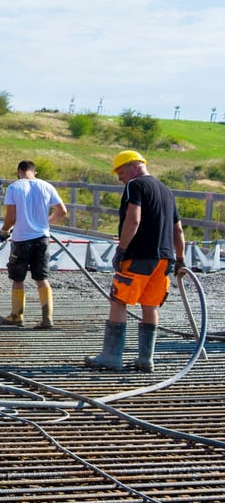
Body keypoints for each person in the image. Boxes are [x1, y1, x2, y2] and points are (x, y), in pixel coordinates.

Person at [85, 150, 186, 372]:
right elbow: (177, 230)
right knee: (150, 305)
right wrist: (180, 259)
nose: (120, 178)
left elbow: (134, 219)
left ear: (133, 166)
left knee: (119, 300)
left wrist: (121, 249)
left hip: (139, 255)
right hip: (164, 259)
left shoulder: (136, 186)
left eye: (121, 172)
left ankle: (111, 356)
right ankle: (145, 359)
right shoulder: (167, 192)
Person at [0, 160, 68, 329]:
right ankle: (47, 317)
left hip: (21, 239)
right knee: (42, 278)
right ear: (34, 172)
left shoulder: (14, 188)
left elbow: (11, 217)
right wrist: (45, 223)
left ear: (18, 171)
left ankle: (17, 315)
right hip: (42, 238)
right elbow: (62, 211)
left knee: (18, 278)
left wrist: (4, 230)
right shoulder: (47, 186)